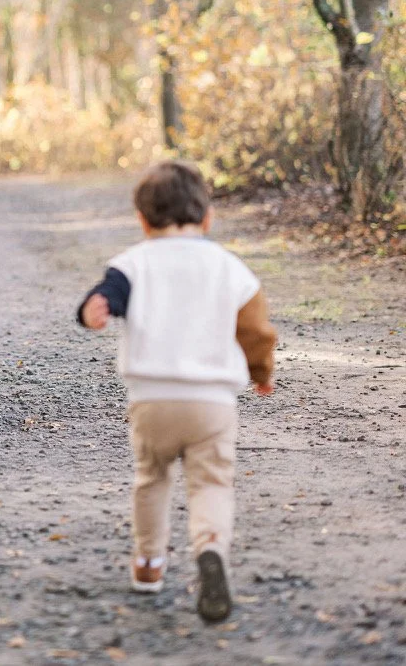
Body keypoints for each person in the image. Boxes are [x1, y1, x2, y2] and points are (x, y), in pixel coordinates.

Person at [76, 160, 277, 623]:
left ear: (143, 220)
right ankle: (210, 546)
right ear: (207, 218)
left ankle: (149, 564)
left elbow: (108, 295)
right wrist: (260, 372)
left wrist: (93, 309)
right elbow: (256, 331)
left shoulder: (133, 262)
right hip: (212, 404)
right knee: (211, 482)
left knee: (152, 478)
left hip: (151, 399)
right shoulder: (229, 267)